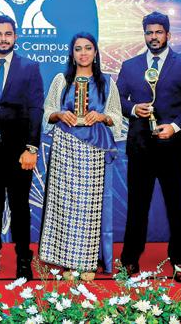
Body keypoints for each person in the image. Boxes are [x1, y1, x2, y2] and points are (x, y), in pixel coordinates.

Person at [117, 12, 181, 280]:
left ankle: (180, 262)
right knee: (137, 207)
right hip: (140, 148)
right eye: (149, 32)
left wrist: (176, 126)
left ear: (168, 34)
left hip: (173, 147)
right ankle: (130, 260)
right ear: (143, 34)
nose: (153, 37)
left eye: (158, 32)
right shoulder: (130, 66)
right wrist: (133, 108)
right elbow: (117, 99)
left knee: (176, 207)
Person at [38, 32, 122, 281]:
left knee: (90, 206)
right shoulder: (61, 80)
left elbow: (117, 117)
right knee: (65, 204)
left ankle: (86, 263)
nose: (83, 53)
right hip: (65, 146)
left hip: (94, 149)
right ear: (72, 54)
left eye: (88, 48)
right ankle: (66, 262)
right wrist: (59, 115)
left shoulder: (107, 82)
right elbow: (47, 112)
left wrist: (103, 117)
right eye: (78, 49)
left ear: (95, 53)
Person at [0, 15, 44, 281]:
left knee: (20, 209)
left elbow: (36, 109)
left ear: (15, 37)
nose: (3, 38)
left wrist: (32, 148)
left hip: (20, 153)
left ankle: (23, 262)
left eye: (8, 34)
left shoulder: (29, 68)